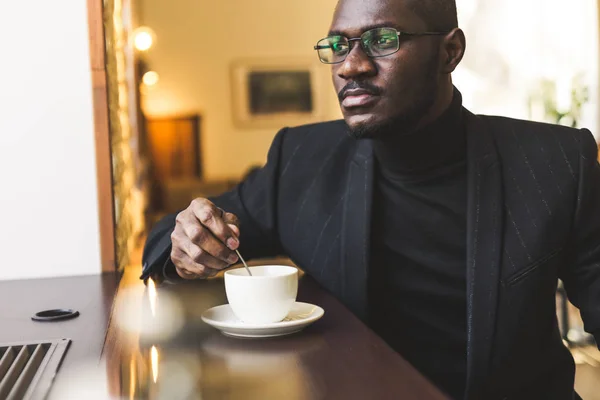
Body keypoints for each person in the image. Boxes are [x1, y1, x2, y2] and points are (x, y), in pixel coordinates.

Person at [140, 0, 600, 398]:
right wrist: (187, 244)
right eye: (338, 45)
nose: (351, 66)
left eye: (382, 39)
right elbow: (171, 237)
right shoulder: (300, 160)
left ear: (450, 51)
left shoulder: (556, 163)